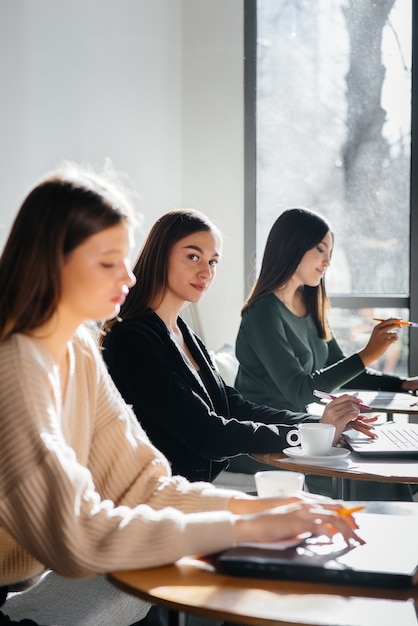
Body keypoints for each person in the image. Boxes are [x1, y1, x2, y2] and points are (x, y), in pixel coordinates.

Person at [0, 167, 363, 626]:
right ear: (55, 259)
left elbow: (144, 484)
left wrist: (258, 506)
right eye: (108, 261)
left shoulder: (80, 350)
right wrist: (245, 523)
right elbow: (77, 534)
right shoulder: (16, 364)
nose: (127, 278)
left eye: (124, 259)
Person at [100, 208, 375, 486]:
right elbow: (207, 434)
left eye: (213, 262)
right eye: (193, 256)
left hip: (189, 492)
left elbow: (233, 407)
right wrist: (306, 435)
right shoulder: (132, 339)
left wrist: (318, 425)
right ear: (160, 256)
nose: (205, 272)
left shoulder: (185, 335)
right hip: (156, 498)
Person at [234, 206, 418, 497]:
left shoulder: (310, 306)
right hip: (267, 438)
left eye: (329, 252)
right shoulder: (263, 312)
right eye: (320, 250)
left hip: (307, 431)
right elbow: (299, 390)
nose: (327, 262)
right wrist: (367, 352)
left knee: (385, 463)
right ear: (293, 247)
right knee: (371, 473)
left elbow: (342, 371)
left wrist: (404, 384)